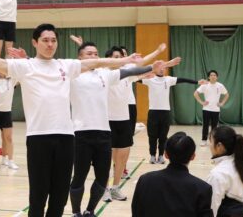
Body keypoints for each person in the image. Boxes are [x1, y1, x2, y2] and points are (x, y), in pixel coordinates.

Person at [0, 23, 141, 217]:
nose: (50, 44)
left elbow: (96, 62)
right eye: (45, 40)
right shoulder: (25, 66)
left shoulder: (66, 65)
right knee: (38, 197)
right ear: (35, 42)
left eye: (53, 40)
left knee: (59, 197)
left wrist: (126, 61)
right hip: (38, 139)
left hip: (66, 139)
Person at [69, 41, 165, 217]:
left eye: (96, 53)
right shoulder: (72, 74)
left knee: (101, 177)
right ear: (80, 57)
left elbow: (129, 71)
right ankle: (76, 212)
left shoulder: (105, 75)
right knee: (79, 177)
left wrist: (151, 66)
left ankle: (90, 210)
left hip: (104, 134)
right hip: (80, 134)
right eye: (89, 53)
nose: (93, 56)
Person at [102, 44, 170, 202]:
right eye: (115, 57)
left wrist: (158, 52)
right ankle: (104, 188)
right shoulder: (104, 73)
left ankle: (115, 188)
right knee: (107, 158)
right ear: (108, 59)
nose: (119, 60)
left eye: (120, 57)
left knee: (122, 157)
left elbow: (144, 66)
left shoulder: (126, 74)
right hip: (107, 121)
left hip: (124, 121)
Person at [131, 132, 213, 217]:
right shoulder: (202, 189)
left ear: (166, 154)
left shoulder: (145, 180)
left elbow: (136, 213)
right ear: (193, 156)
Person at [141, 67, 206, 164]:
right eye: (159, 68)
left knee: (163, 136)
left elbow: (182, 79)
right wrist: (146, 73)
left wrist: (196, 82)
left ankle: (161, 156)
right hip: (153, 112)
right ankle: (152, 155)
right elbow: (134, 78)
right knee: (152, 136)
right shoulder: (149, 80)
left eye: (163, 68)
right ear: (155, 69)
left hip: (165, 112)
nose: (162, 69)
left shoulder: (169, 79)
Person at [206, 126, 243, 217]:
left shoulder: (218, 174)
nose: (209, 144)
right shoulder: (240, 164)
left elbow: (211, 208)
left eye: (210, 141)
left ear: (219, 146)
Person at [194, 70, 230, 146]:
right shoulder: (205, 85)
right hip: (206, 109)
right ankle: (204, 140)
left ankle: (213, 141)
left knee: (215, 127)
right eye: (211, 75)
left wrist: (222, 103)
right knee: (205, 125)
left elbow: (227, 94)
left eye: (214, 75)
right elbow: (195, 93)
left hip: (216, 110)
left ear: (217, 77)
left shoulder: (220, 86)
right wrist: (201, 102)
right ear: (208, 77)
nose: (213, 76)